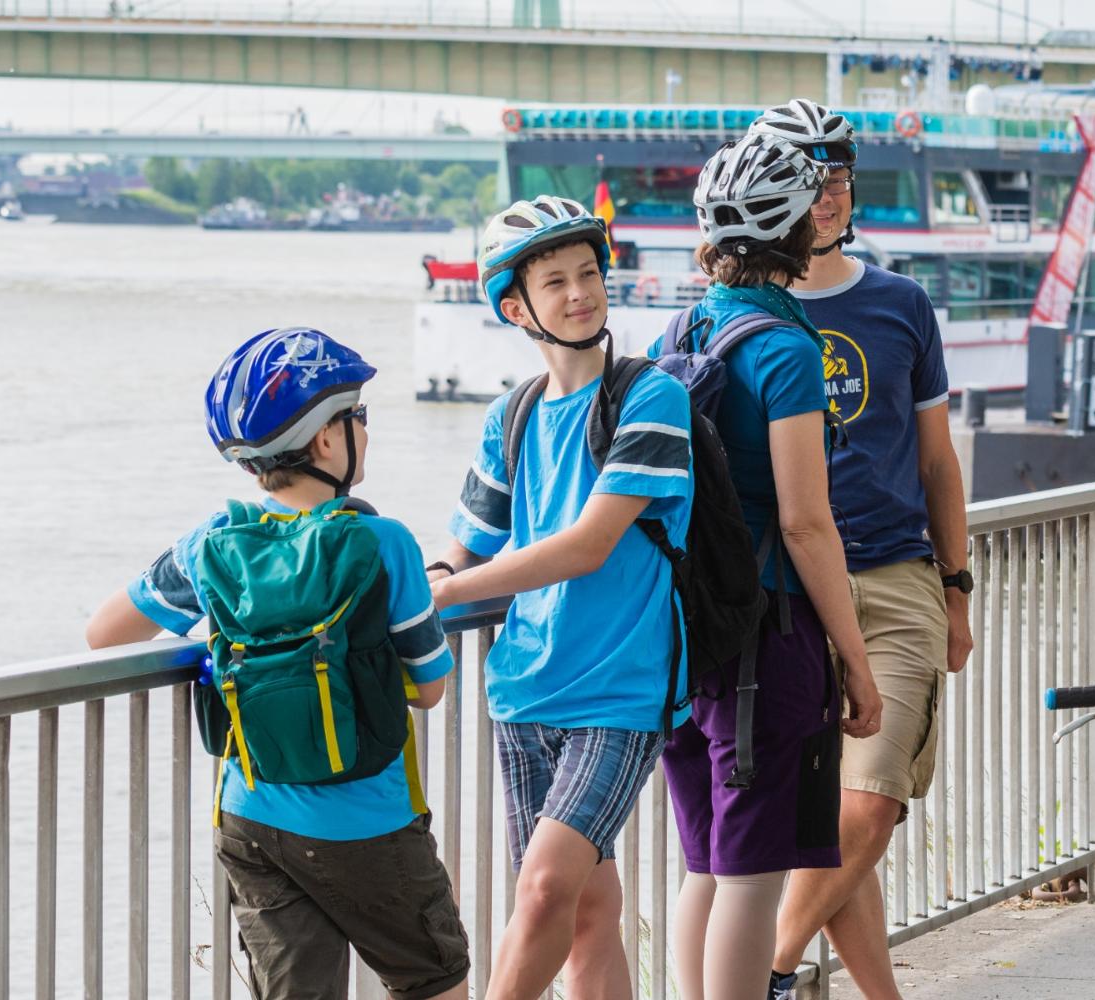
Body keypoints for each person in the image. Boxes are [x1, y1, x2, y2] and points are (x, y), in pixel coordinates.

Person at [83, 328, 468, 1000]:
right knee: (435, 981)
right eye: (360, 417)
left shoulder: (212, 543)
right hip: (365, 821)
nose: (366, 433)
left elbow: (105, 633)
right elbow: (431, 687)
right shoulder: (382, 542)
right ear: (326, 438)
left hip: (250, 817)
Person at [431, 194, 697, 1000]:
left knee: (544, 889)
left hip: (623, 690)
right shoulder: (509, 416)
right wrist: (423, 584)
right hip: (523, 691)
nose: (581, 293)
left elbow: (587, 545)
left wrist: (437, 597)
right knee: (586, 910)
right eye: (556, 282)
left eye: (589, 274)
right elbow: (460, 554)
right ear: (516, 306)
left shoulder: (650, 398)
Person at [738, 99, 973, 1000]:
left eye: (836, 177)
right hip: (785, 596)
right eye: (806, 180)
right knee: (831, 824)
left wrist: (956, 592)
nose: (825, 196)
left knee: (869, 805)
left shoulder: (900, 304)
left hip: (893, 577)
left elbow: (937, 463)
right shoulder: (741, 313)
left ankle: (767, 971)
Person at [650, 132, 882, 1000]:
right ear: (795, 234)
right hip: (769, 639)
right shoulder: (787, 351)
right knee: (752, 872)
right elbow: (805, 523)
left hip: (687, 641)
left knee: (704, 862)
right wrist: (855, 662)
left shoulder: (680, 327)